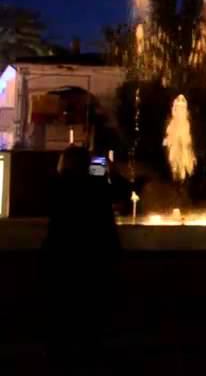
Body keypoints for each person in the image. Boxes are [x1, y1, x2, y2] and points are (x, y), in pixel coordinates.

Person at [43, 145, 120, 369]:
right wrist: (110, 172)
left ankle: (59, 360)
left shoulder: (57, 185)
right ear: (87, 164)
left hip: (62, 261)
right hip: (94, 263)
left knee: (61, 318)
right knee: (91, 320)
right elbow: (123, 191)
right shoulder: (97, 187)